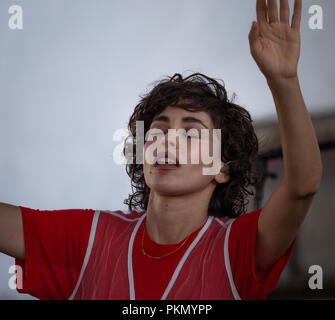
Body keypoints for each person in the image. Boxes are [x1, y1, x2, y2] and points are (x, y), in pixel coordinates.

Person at [0, 0, 322, 300]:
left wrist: (284, 80)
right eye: (159, 130)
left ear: (222, 168)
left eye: (191, 133)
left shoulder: (234, 247)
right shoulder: (91, 237)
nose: (168, 141)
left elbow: (302, 188)